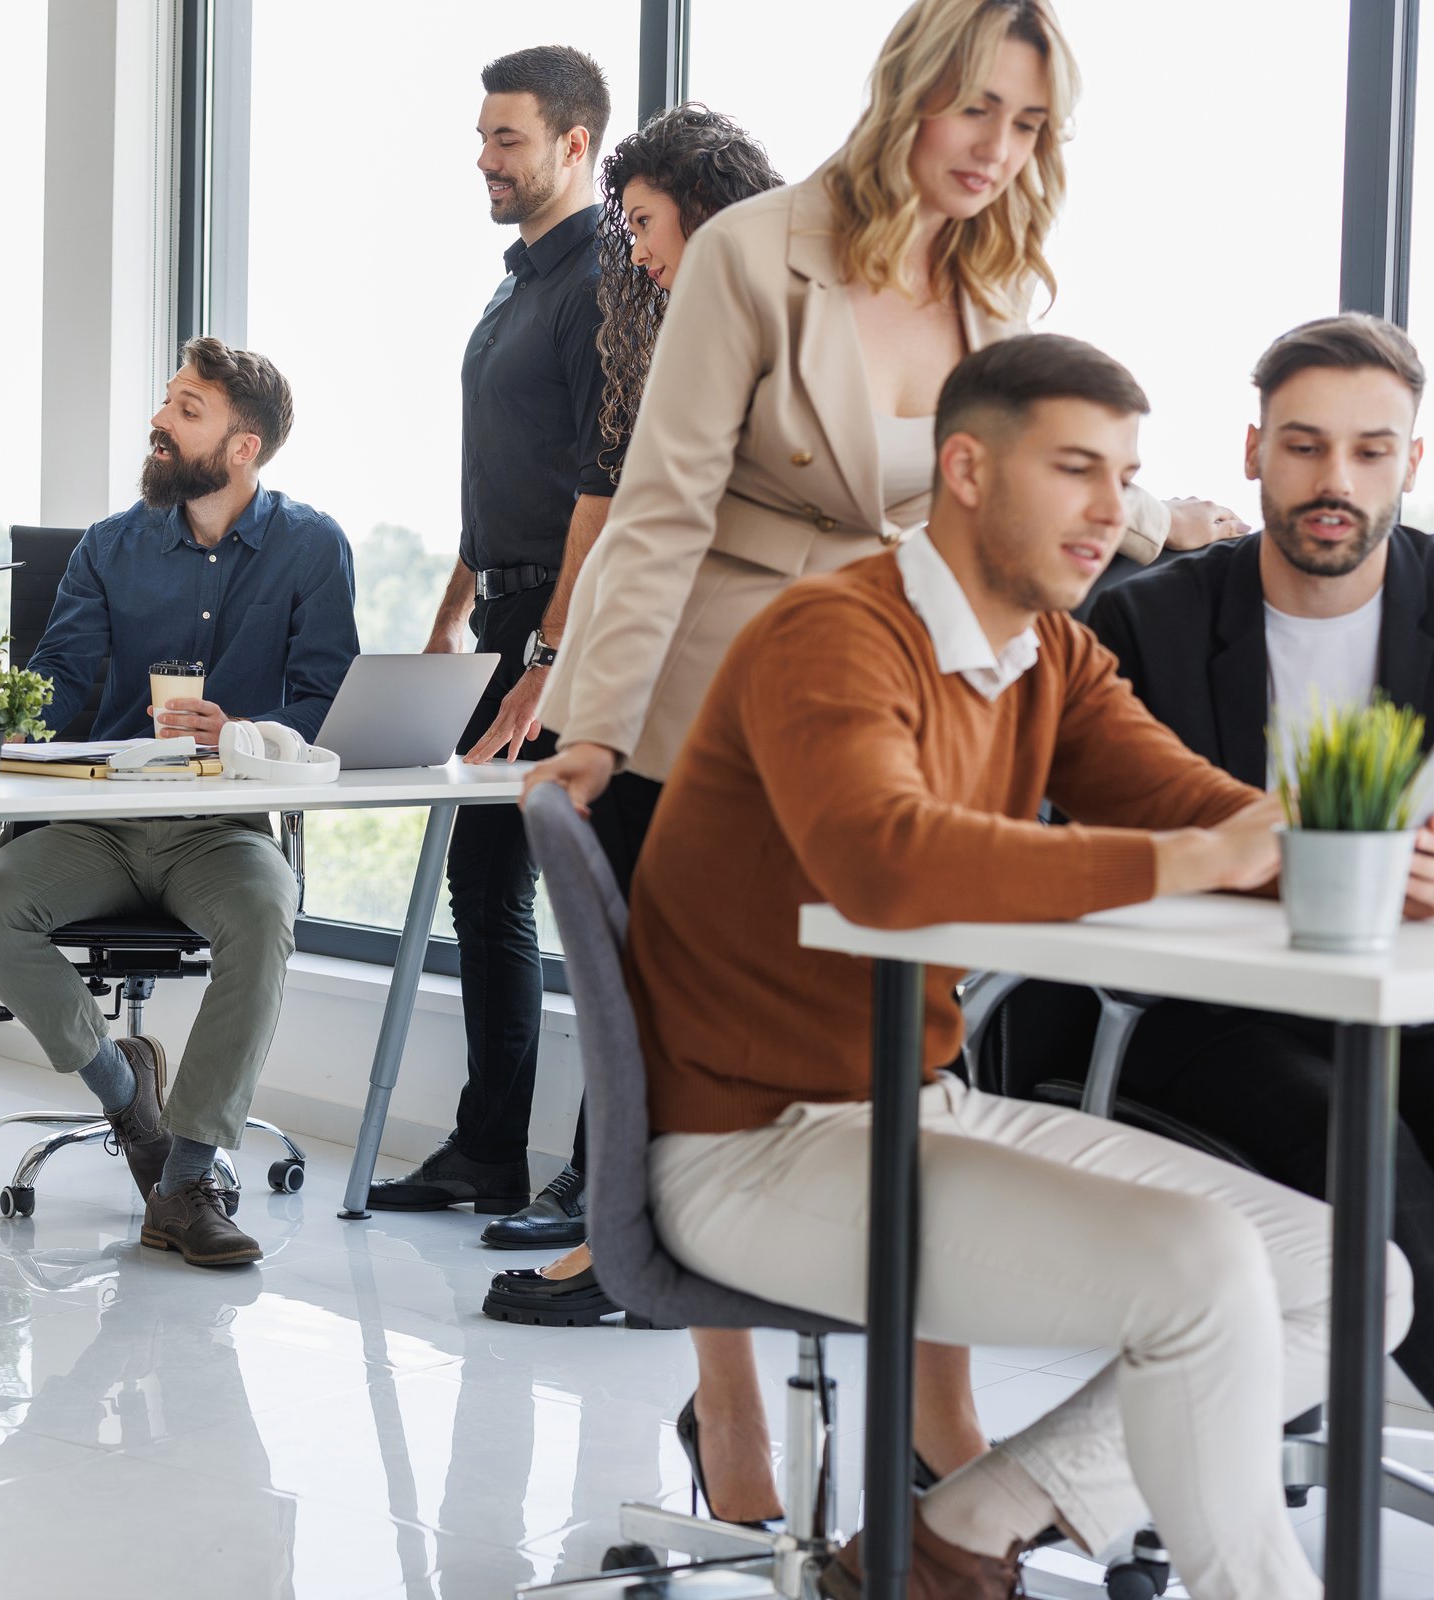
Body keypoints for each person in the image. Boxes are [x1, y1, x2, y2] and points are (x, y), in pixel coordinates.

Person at [519, 0, 1247, 1525]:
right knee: (720, 1072)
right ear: (909, 93)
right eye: (977, 109)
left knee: (912, 1045)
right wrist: (591, 725)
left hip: (905, 705)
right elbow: (661, 501)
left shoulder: (1001, 283)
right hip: (718, 685)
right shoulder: (757, 252)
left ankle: (939, 1420)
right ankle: (734, 1425)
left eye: (1031, 126)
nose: (998, 150)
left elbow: (1010, 499)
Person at [637, 330, 1405, 1598]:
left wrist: (1356, 854)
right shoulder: (831, 633)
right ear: (969, 470)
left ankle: (956, 1534)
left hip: (914, 1105)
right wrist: (1194, 861)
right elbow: (885, 859)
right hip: (752, 1146)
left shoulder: (1050, 653)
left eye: (1128, 473)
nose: (1117, 510)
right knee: (1204, 1272)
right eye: (1077, 470)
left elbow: (1194, 805)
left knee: (1354, 1275)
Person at [1014, 313, 1434, 1403]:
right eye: (1302, 444)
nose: (1333, 478)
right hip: (1186, 1009)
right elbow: (1068, 842)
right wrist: (1262, 857)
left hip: (1402, 998)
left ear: (1412, 462)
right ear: (1254, 452)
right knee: (1360, 1143)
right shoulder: (1147, 620)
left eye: (1369, 450)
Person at [0, 337, 358, 1269]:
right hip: (100, 820)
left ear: (244, 445)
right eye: (166, 401)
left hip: (222, 827)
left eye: (187, 409)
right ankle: (122, 1092)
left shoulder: (311, 547)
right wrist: (10, 718)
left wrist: (245, 732)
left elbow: (325, 697)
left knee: (264, 909)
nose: (160, 420)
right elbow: (59, 677)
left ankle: (184, 1182)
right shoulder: (110, 545)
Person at [482, 105, 785, 1325]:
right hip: (649, 684)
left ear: (709, 214)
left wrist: (566, 680)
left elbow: (646, 526)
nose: (639, 253)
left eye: (650, 225)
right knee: (632, 968)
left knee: (655, 973)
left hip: (699, 693)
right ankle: (623, 1230)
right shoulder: (664, 326)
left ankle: (628, 1242)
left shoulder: (765, 330)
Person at [367, 46, 617, 1238]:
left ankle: (595, 1178)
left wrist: (550, 650)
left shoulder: (603, 279)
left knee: (585, 896)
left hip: (569, 626)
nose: (485, 158)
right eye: (481, 137)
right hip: (504, 614)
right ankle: (487, 1149)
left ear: (575, 146)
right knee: (484, 886)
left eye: (507, 139)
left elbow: (599, 484)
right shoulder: (513, 286)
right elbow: (498, 475)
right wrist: (452, 608)